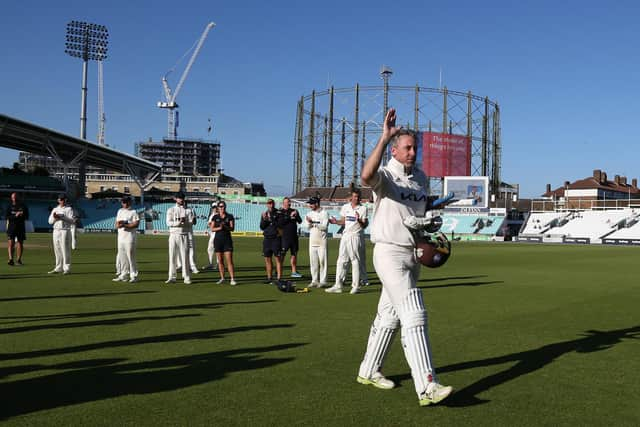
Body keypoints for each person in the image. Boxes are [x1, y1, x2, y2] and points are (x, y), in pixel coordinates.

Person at [356, 108, 453, 406]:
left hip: (412, 254)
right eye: (407, 148)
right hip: (388, 252)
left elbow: (419, 215)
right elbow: (365, 176)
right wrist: (384, 138)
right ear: (395, 151)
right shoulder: (385, 176)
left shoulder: (421, 179)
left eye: (415, 147)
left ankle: (369, 370)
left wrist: (430, 224)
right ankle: (427, 386)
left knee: (388, 316)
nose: (412, 152)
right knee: (414, 310)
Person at [325, 189, 368, 294]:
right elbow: (343, 221)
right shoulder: (345, 207)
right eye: (354, 196)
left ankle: (355, 286)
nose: (356, 198)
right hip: (345, 236)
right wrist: (336, 222)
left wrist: (359, 220)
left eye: (358, 196)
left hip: (355, 236)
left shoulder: (363, 208)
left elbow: (365, 225)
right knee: (341, 261)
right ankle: (338, 285)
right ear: (351, 197)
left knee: (355, 260)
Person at [165, 192, 193, 285]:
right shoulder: (171, 210)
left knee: (185, 257)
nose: (181, 200)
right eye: (179, 198)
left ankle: (186, 277)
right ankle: (172, 277)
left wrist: (186, 222)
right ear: (175, 199)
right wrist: (178, 222)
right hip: (173, 235)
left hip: (184, 234)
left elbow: (190, 223)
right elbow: (168, 223)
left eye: (182, 198)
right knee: (172, 256)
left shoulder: (188, 210)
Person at [113, 196, 140, 283]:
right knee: (122, 257)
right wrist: (120, 225)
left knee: (131, 257)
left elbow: (136, 224)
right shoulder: (120, 211)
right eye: (123, 202)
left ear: (130, 202)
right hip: (120, 238)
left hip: (129, 238)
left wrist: (125, 225)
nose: (124, 204)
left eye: (126, 202)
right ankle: (124, 275)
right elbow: (116, 224)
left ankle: (134, 276)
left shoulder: (133, 212)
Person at [304, 197, 329, 288]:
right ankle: (314, 280)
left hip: (322, 242)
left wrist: (313, 223)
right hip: (312, 241)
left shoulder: (324, 213)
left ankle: (323, 281)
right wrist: (310, 223)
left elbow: (324, 227)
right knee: (313, 262)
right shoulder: (309, 213)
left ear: (317, 204)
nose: (310, 205)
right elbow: (307, 227)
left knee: (323, 262)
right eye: (309, 203)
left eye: (311, 203)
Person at [47, 194, 75, 274]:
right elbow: (50, 221)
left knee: (65, 249)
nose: (61, 201)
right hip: (56, 230)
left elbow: (72, 221)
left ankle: (67, 268)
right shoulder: (55, 209)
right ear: (58, 200)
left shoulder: (69, 209)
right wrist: (55, 218)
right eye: (60, 199)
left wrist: (62, 217)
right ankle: (58, 267)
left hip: (65, 230)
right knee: (57, 249)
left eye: (63, 199)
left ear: (65, 200)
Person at [211, 200, 237, 285]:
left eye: (223, 206)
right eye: (220, 206)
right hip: (218, 241)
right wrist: (219, 228)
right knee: (220, 260)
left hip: (227, 241)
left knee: (229, 260)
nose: (222, 208)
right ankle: (222, 278)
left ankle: (232, 279)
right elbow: (212, 229)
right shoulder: (215, 217)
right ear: (218, 208)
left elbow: (232, 228)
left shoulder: (230, 216)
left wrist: (225, 226)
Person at [260, 199, 283, 284]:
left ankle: (279, 278)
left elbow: (280, 225)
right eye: (269, 203)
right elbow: (262, 227)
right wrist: (265, 219)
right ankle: (269, 278)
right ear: (267, 205)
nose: (271, 205)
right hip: (267, 239)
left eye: (272, 203)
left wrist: (271, 219)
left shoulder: (278, 213)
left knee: (278, 259)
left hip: (276, 238)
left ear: (274, 204)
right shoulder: (264, 214)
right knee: (267, 259)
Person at [280, 197, 303, 278]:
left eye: (288, 202)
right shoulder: (280, 212)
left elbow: (300, 221)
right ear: (283, 203)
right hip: (285, 237)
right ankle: (279, 270)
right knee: (282, 254)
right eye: (286, 202)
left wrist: (296, 215)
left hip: (294, 237)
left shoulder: (294, 210)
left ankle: (294, 271)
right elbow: (281, 223)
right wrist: (290, 217)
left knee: (294, 254)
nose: (287, 203)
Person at [6, 192, 29, 266]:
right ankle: (10, 259)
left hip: (20, 227)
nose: (14, 198)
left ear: (18, 197)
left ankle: (18, 260)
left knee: (20, 243)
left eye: (15, 197)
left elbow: (27, 217)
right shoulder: (9, 206)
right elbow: (7, 217)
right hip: (11, 227)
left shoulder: (23, 206)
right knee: (11, 243)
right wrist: (15, 216)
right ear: (11, 198)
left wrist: (22, 215)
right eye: (13, 197)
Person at [183, 200, 199, 274]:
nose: (184, 204)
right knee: (182, 251)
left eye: (185, 203)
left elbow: (195, 223)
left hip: (189, 232)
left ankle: (193, 267)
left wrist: (194, 218)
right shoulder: (178, 210)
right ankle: (183, 266)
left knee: (191, 250)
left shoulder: (191, 210)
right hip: (181, 232)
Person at [202, 203, 218, 270]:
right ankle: (211, 263)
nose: (215, 208)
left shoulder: (219, 215)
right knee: (210, 249)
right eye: (213, 207)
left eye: (216, 207)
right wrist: (208, 230)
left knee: (218, 249)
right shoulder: (212, 215)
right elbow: (209, 224)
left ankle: (218, 264)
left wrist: (210, 224)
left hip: (218, 234)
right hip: (212, 234)